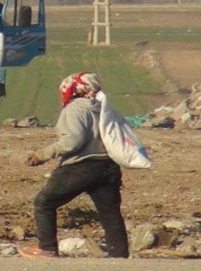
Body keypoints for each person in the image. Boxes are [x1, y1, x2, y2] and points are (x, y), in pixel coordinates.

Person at [19, 72, 129, 259]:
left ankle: (47, 249)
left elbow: (72, 142)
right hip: (108, 166)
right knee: (110, 213)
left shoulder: (74, 110)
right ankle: (119, 254)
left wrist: (42, 155)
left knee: (44, 203)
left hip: (80, 166)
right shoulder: (106, 110)